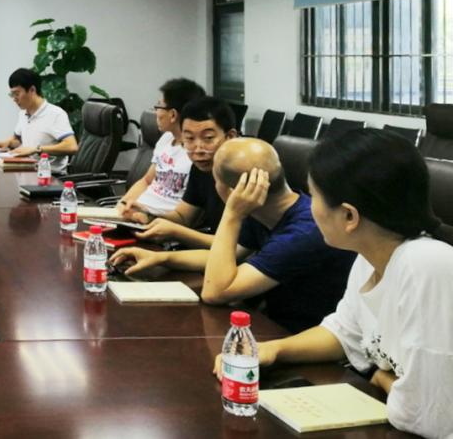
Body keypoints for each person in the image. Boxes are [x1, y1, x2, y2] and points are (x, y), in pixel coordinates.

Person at [214, 130, 453, 439]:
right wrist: (272, 350)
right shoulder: (370, 258)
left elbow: (428, 416)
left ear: (349, 216)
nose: (309, 206)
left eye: (314, 196)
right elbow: (343, 332)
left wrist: (381, 377)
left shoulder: (426, 266)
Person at [111, 137, 355, 333]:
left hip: (300, 338)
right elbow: (229, 255)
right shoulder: (266, 210)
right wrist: (163, 258)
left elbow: (216, 292)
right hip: (268, 322)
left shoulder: (303, 232)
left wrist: (232, 213)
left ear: (233, 191)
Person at [132, 97, 238, 249]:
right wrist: (147, 216)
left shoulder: (243, 173)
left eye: (208, 138)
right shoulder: (200, 168)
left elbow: (237, 247)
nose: (198, 149)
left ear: (230, 137)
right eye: (189, 139)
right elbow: (183, 217)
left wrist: (176, 232)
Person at [114, 78, 206, 217]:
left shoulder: (198, 154)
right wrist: (122, 205)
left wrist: (148, 215)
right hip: (136, 213)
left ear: (173, 115)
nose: (156, 111)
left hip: (159, 222)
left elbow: (186, 217)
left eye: (159, 106)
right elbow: (146, 181)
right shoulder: (166, 139)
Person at [0, 68, 78, 173]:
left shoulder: (55, 114)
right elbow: (18, 140)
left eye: (17, 94)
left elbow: (71, 146)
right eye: (12, 95)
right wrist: (8, 142)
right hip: (27, 170)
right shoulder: (23, 113)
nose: (14, 99)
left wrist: (36, 149)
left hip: (50, 176)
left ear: (32, 90)